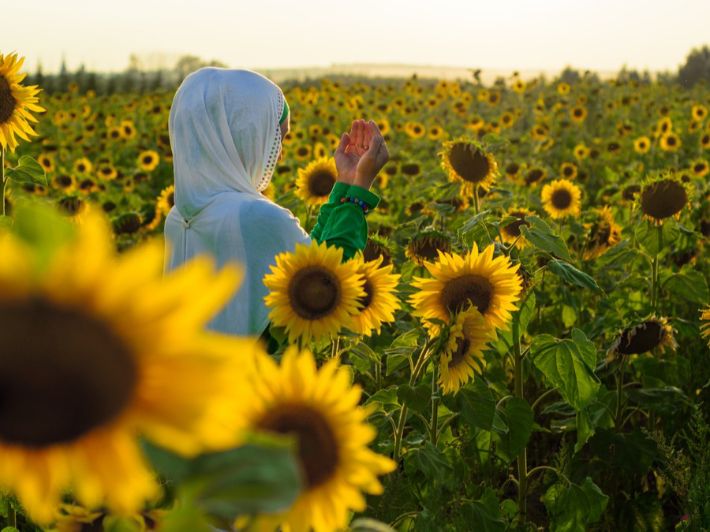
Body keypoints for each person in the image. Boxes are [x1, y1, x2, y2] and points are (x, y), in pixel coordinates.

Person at [163, 67, 389, 348]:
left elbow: (310, 258)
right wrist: (358, 192)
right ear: (243, 135)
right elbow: (325, 283)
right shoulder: (254, 216)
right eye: (276, 138)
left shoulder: (179, 216)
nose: (280, 153)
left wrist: (344, 182)